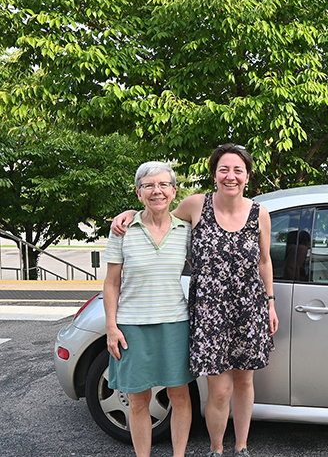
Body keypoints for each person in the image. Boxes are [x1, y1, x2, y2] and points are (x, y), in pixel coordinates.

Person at [112, 144, 279, 457]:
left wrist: (270, 303)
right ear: (214, 174)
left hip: (250, 308)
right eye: (224, 169)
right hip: (209, 309)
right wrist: (130, 214)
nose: (231, 176)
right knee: (219, 389)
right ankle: (216, 449)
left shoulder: (260, 213)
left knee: (244, 382)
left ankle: (241, 447)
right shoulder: (195, 205)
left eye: (238, 170)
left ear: (247, 176)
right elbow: (158, 217)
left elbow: (264, 261)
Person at [103, 161, 194, 457]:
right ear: (139, 193)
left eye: (164, 185)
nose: (157, 191)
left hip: (175, 323)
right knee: (138, 400)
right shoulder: (122, 230)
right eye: (149, 186)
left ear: (174, 191)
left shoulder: (187, 230)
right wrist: (111, 327)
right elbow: (111, 283)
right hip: (132, 326)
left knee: (179, 396)